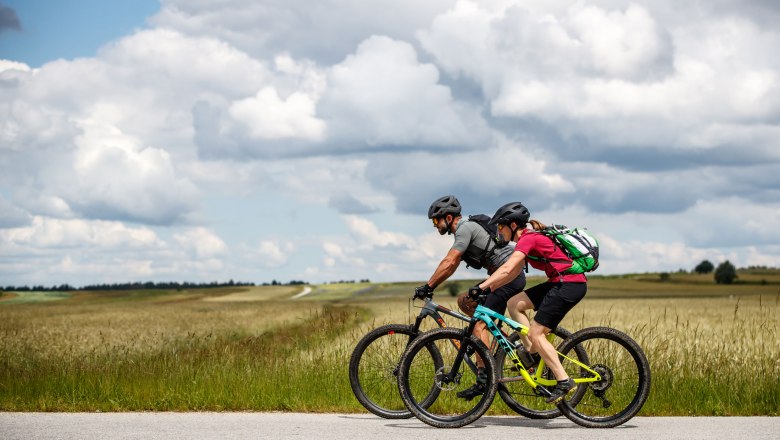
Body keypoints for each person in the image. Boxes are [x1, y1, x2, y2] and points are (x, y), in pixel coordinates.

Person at [468, 202, 588, 404]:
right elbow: (512, 272)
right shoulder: (529, 239)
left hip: (568, 284)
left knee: (536, 332)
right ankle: (532, 353)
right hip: (559, 282)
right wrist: (490, 287)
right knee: (515, 303)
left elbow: (507, 269)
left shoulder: (529, 238)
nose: (498, 231)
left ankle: (564, 380)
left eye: (500, 226)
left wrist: (481, 287)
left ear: (513, 225)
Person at [415, 195, 526, 400]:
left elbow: (450, 260)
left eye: (435, 220)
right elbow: (452, 266)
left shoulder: (464, 228)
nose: (434, 225)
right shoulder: (464, 231)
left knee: (478, 325)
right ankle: (494, 342)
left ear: (448, 217)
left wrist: (427, 286)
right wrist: (434, 285)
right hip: (504, 277)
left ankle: (484, 378)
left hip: (507, 276)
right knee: (464, 301)